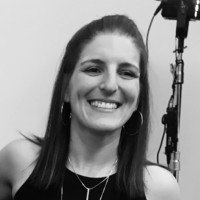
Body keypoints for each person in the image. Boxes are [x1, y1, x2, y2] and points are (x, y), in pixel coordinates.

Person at [0, 15, 180, 200]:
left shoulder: (160, 187)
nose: (110, 85)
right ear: (66, 87)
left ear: (139, 95)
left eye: (126, 73)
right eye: (93, 69)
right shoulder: (17, 161)